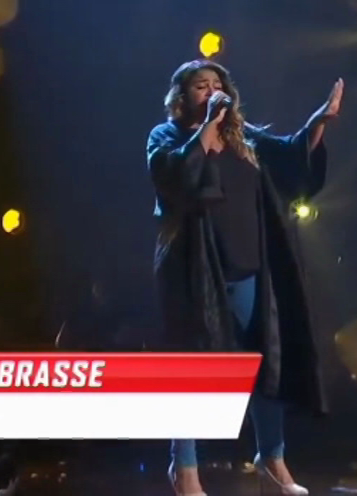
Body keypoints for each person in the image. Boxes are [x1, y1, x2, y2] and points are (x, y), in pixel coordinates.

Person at [146, 59, 344, 496]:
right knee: (192, 371)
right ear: (182, 96)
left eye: (217, 84)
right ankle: (185, 469)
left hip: (251, 267)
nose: (212, 91)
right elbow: (174, 177)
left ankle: (272, 459)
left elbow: (290, 157)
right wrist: (206, 130)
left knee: (265, 362)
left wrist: (317, 124)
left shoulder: (243, 136)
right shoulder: (166, 136)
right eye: (201, 86)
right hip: (198, 272)